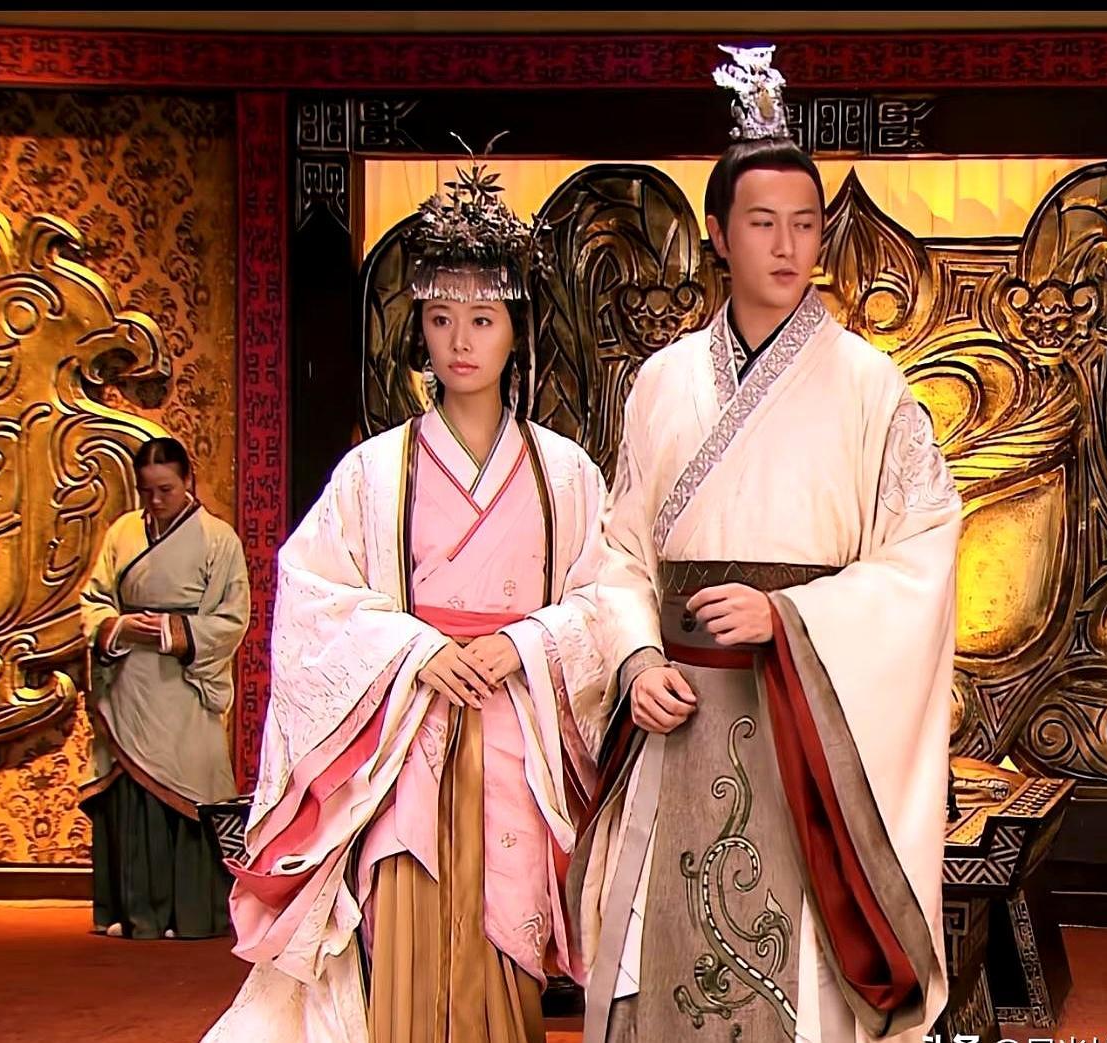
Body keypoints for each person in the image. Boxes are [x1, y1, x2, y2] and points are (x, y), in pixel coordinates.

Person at [571, 45, 962, 1043]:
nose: (787, 246)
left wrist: (789, 615)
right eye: (761, 222)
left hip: (802, 725)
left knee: (794, 974)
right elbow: (619, 551)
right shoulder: (662, 381)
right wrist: (635, 657)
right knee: (660, 952)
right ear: (717, 233)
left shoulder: (869, 384)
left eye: (804, 223)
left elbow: (922, 552)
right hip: (679, 709)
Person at [203, 159, 609, 1042]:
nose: (461, 340)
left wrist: (528, 641)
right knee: (404, 931)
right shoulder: (373, 470)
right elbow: (314, 594)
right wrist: (416, 648)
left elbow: (606, 598)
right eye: (440, 318)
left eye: (483, 319)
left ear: (516, 331)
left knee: (507, 928)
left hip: (515, 725)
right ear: (418, 328)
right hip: (408, 728)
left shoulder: (566, 473)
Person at [79, 435, 251, 940]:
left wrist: (175, 632)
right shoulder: (122, 532)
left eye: (166, 489)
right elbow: (94, 599)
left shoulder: (218, 539)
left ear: (188, 481)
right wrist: (117, 627)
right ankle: (132, 913)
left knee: (189, 788)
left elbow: (232, 618)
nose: (155, 501)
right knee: (129, 795)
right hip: (129, 681)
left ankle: (188, 913)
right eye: (146, 491)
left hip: (183, 681)